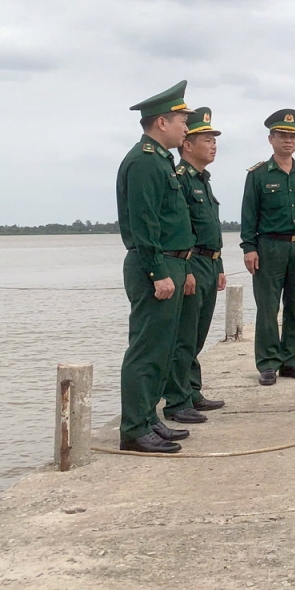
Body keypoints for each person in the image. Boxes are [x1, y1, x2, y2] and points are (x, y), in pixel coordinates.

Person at [116, 81, 196, 454]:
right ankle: (134, 428)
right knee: (147, 349)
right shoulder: (145, 161)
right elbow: (144, 222)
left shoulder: (160, 159)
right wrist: (157, 272)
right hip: (157, 264)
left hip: (172, 263)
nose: (186, 127)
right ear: (161, 122)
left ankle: (148, 418)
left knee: (162, 348)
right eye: (182, 119)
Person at [241, 109, 295, 386]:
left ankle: (292, 360)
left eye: (293, 136)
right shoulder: (258, 175)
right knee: (267, 307)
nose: (288, 141)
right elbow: (248, 214)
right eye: (283, 136)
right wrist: (249, 247)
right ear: (271, 139)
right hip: (269, 248)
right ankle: (268, 363)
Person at [162, 107, 228, 424]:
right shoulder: (182, 179)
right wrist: (186, 268)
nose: (213, 144)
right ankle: (176, 401)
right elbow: (182, 228)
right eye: (207, 139)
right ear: (188, 144)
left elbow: (209, 227)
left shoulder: (203, 180)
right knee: (185, 334)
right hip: (192, 263)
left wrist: (220, 265)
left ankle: (192, 391)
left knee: (198, 332)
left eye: (214, 139)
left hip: (209, 263)